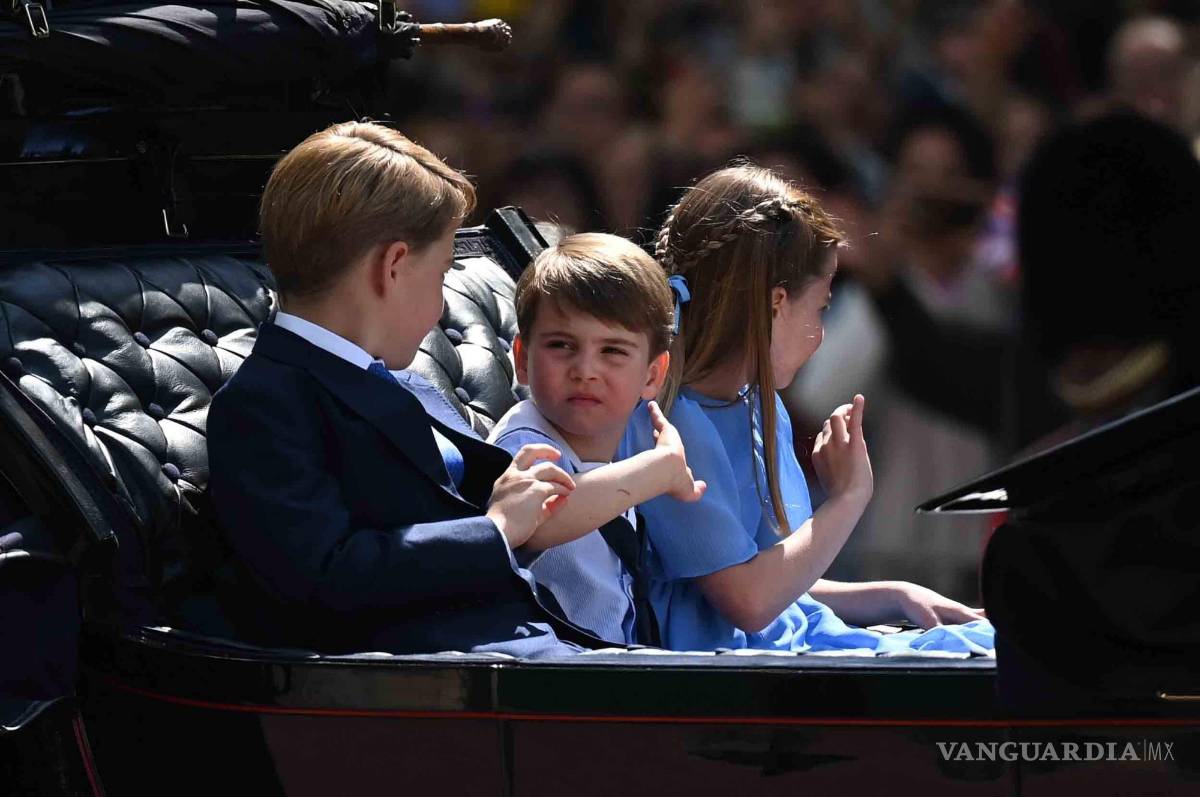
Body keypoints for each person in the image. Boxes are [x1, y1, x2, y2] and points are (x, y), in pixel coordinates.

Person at [208, 121, 608, 658]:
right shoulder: (266, 402)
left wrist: (515, 493)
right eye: (441, 273)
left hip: (524, 649)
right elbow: (324, 576)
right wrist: (494, 529)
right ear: (393, 266)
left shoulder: (404, 381)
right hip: (432, 679)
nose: (441, 304)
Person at [622, 163, 993, 654]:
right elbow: (750, 600)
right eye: (821, 308)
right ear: (777, 304)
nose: (820, 334)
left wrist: (892, 594)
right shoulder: (673, 422)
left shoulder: (757, 402)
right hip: (727, 679)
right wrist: (849, 498)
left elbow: (781, 578)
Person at [489, 232, 706, 646]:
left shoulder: (615, 454)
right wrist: (658, 470)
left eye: (612, 351)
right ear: (521, 359)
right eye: (561, 345)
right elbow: (534, 524)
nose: (585, 369)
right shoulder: (526, 439)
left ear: (652, 376)